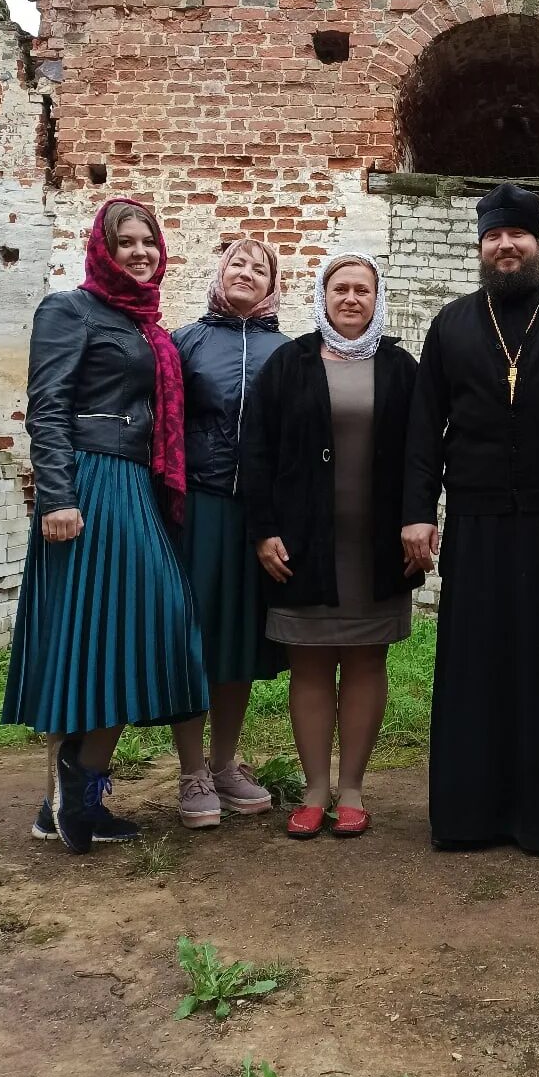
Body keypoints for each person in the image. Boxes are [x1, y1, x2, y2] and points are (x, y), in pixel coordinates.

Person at [402, 183, 539, 856]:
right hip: (478, 517)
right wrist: (416, 514)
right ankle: (469, 813)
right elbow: (423, 428)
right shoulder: (452, 323)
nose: (505, 245)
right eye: (494, 236)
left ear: (537, 244)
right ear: (480, 247)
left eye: (517, 234)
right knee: (475, 663)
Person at [2, 198, 207, 853]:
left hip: (133, 485)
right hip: (88, 486)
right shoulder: (69, 310)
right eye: (127, 242)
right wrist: (58, 494)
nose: (141, 252)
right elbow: (48, 405)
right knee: (120, 630)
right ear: (103, 249)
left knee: (131, 633)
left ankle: (71, 795)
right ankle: (75, 782)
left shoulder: (146, 324)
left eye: (149, 241)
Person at [240, 252, 422, 838]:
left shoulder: (400, 367)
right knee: (310, 666)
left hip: (375, 548)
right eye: (339, 288)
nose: (350, 298)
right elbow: (256, 450)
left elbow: (423, 454)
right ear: (322, 297)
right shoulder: (288, 363)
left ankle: (352, 789)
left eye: (362, 290)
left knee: (368, 660)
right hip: (303, 545)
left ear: (377, 298)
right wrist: (264, 529)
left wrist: (421, 518)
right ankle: (315, 788)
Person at [168, 238, 289, 829]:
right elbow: (163, 424)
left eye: (259, 268)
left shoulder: (287, 352)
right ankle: (190, 770)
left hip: (255, 516)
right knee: (195, 635)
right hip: (199, 506)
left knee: (238, 638)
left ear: (273, 286)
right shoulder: (186, 341)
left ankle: (224, 762)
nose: (247, 273)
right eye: (237, 264)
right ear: (220, 274)